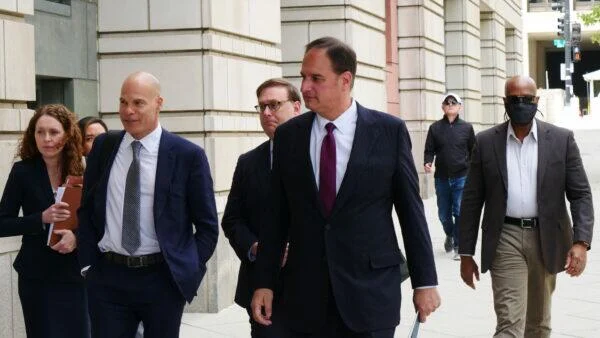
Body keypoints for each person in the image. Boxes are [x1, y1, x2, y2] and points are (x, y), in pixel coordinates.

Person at [251, 37, 441, 338]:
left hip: (371, 293)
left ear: (345, 80)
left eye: (316, 78)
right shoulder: (289, 137)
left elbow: (411, 211)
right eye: (303, 76)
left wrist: (425, 282)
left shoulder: (388, 131)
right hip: (306, 295)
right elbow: (276, 216)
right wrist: (264, 281)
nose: (305, 86)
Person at [77, 71, 219, 338]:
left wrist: (186, 270)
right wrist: (88, 265)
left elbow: (208, 226)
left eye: (138, 103)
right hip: (107, 278)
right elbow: (86, 209)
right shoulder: (104, 147)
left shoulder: (188, 155)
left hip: (162, 280)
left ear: (159, 103)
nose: (128, 111)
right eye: (122, 102)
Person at [459, 75, 594, 337]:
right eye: (515, 99)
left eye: (527, 99)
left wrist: (581, 242)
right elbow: (472, 199)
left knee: (538, 325)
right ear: (505, 102)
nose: (521, 104)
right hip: (504, 237)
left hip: (547, 237)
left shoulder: (561, 140)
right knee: (509, 324)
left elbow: (580, 194)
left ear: (536, 101)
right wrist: (466, 253)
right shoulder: (486, 142)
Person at [0, 104, 89, 337]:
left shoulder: (82, 169)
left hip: (74, 273)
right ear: (33, 135)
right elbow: (3, 223)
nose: (46, 139)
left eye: (53, 132)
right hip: (35, 276)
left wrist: (77, 238)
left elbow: (98, 220)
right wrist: (40, 218)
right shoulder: (22, 172)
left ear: (67, 135)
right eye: (40, 132)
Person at [222, 78, 301, 337]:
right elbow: (232, 220)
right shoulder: (248, 162)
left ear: (297, 107)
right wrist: (256, 247)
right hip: (262, 289)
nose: (267, 113)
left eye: (275, 105)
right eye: (261, 107)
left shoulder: (318, 155)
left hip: (311, 286)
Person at [424, 93, 475, 260]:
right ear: (443, 107)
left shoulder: (467, 128)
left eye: (454, 102)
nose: (451, 104)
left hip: (462, 176)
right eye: (447, 102)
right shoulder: (435, 128)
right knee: (444, 214)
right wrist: (428, 162)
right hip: (442, 178)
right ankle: (450, 234)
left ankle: (458, 246)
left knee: (459, 211)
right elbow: (429, 150)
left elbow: (473, 151)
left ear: (460, 107)